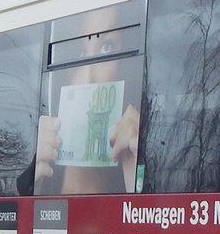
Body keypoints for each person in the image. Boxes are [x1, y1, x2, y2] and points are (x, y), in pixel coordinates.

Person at [31, 60, 141, 195]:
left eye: (106, 47)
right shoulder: (41, 171)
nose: (88, 79)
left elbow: (147, 213)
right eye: (79, 57)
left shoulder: (135, 159)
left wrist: (135, 182)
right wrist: (32, 188)